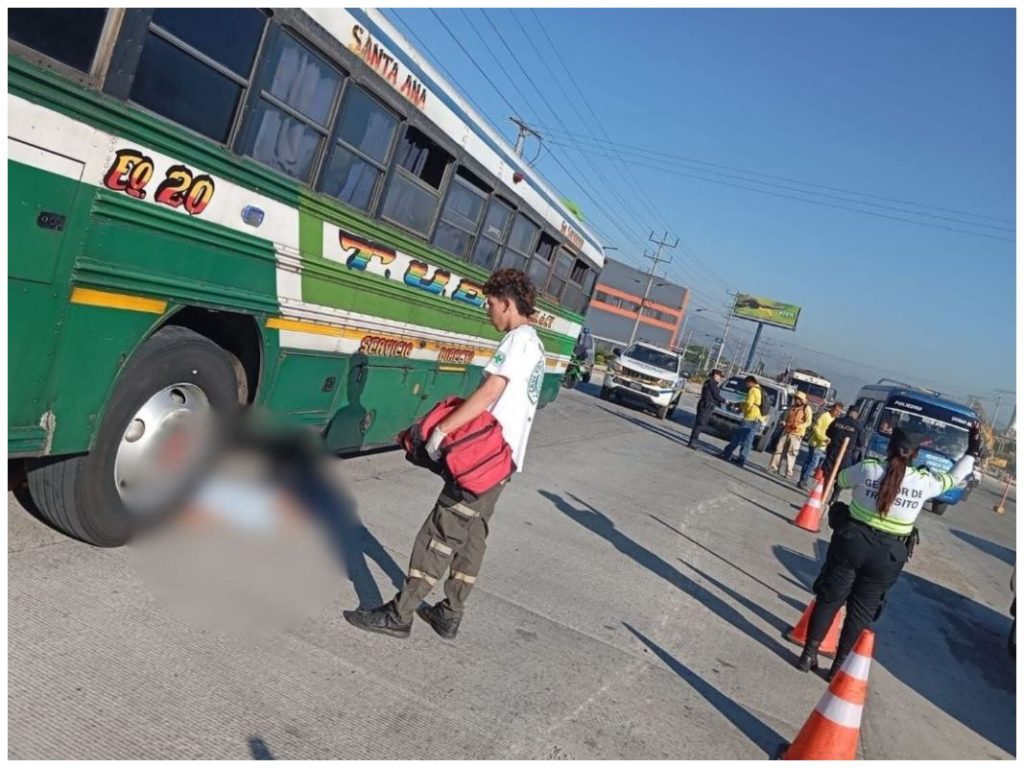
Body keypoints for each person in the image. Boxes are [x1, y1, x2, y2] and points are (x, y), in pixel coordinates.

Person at [343, 269, 544, 640]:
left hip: (485, 458)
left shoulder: (516, 341)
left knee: (441, 530)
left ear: (506, 302)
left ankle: (400, 614)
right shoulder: (536, 344)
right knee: (472, 534)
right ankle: (450, 612)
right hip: (504, 461)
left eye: (490, 305)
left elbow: (488, 395)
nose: (488, 312)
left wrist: (443, 429)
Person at [795, 423, 982, 679]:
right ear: (915, 454)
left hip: (852, 542)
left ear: (890, 446)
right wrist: (972, 450)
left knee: (830, 598)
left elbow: (841, 480)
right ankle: (838, 668)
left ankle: (808, 654)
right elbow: (954, 477)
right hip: (889, 554)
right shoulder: (924, 481)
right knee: (860, 611)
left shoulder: (869, 467)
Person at [719, 376, 763, 468]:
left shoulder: (752, 390)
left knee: (737, 437)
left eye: (747, 382)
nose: (746, 384)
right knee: (747, 440)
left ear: (751, 382)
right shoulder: (759, 390)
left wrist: (740, 407)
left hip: (750, 417)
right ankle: (741, 459)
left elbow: (748, 403)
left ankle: (726, 453)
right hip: (756, 418)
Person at [797, 402, 843, 489]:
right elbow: (816, 428)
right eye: (837, 411)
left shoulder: (834, 420)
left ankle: (802, 479)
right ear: (832, 408)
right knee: (814, 463)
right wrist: (824, 438)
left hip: (822, 445)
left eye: (839, 412)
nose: (838, 413)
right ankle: (803, 479)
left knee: (809, 462)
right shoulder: (825, 416)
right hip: (817, 443)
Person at [820, 405, 865, 493]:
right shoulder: (858, 426)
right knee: (841, 478)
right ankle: (833, 498)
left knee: (827, 474)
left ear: (848, 412)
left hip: (832, 452)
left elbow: (828, 433)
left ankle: (822, 493)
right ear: (857, 415)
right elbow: (861, 443)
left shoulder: (837, 421)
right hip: (846, 455)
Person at [768, 391, 813, 478]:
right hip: (786, 431)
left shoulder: (806, 409)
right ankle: (774, 467)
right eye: (796, 398)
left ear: (802, 400)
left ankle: (788, 473)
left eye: (798, 399)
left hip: (796, 434)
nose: (796, 400)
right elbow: (787, 417)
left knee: (791, 453)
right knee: (779, 449)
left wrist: (798, 426)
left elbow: (808, 422)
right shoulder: (792, 407)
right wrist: (784, 422)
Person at [688, 369, 726, 449]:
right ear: (715, 374)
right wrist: (725, 401)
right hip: (705, 405)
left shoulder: (711, 382)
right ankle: (692, 442)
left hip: (706, 405)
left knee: (700, 423)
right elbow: (716, 395)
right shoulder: (711, 382)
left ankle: (693, 441)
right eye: (719, 376)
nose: (720, 378)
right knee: (700, 424)